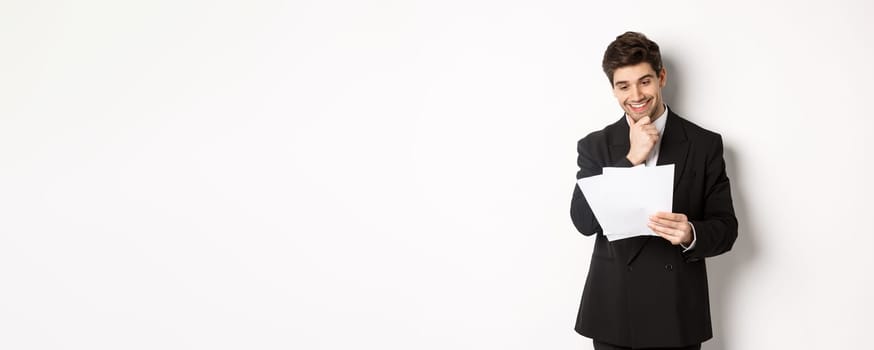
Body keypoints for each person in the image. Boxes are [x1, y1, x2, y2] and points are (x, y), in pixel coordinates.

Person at [570, 32, 738, 350]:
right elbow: (582, 221)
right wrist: (631, 158)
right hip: (613, 312)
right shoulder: (595, 146)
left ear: (661, 77)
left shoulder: (704, 144)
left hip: (677, 310)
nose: (636, 95)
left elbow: (727, 229)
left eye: (644, 81)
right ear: (613, 89)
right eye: (624, 86)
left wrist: (690, 233)